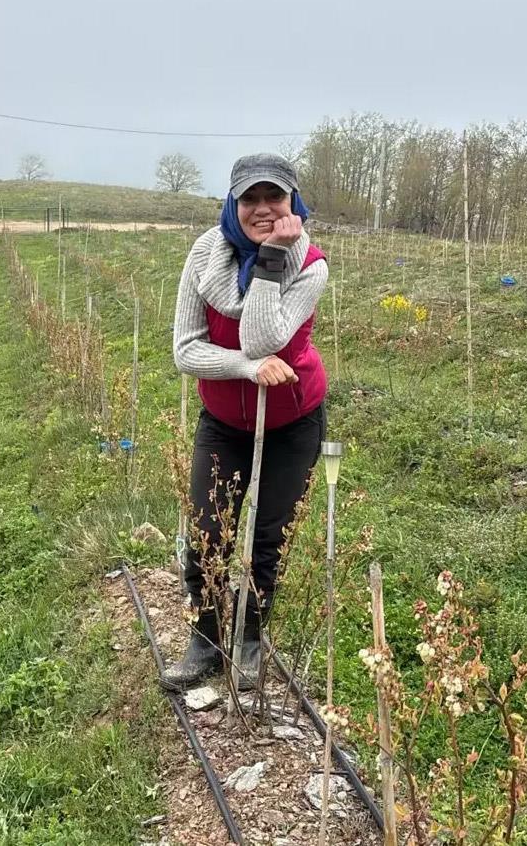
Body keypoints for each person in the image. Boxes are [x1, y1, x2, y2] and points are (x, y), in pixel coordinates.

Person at [160, 151, 330, 691]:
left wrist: (273, 258)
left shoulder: (311, 265)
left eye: (273, 198)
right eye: (249, 198)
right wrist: (246, 368)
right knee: (207, 533)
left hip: (293, 421)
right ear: (232, 203)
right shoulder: (205, 255)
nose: (261, 208)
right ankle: (205, 640)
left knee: (267, 538)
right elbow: (187, 351)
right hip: (222, 421)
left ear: (292, 204)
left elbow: (264, 335)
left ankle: (251, 639)